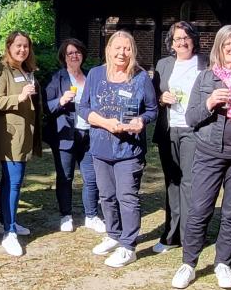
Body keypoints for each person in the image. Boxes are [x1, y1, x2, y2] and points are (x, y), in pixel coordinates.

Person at [171, 25, 231, 290]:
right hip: (209, 153)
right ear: (219, 49)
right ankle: (188, 264)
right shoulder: (206, 79)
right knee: (200, 209)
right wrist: (210, 102)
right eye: (228, 45)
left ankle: (223, 263)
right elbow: (191, 118)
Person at [80, 31, 157, 268]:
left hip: (129, 149)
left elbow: (152, 110)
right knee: (106, 195)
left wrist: (140, 121)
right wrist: (104, 122)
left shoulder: (141, 78)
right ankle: (113, 235)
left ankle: (128, 246)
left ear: (132, 51)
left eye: (127, 48)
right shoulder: (95, 74)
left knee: (127, 197)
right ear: (109, 50)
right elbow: (84, 108)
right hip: (100, 146)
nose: (122, 53)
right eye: (117, 48)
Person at [151, 21, 208, 254]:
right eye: (177, 38)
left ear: (193, 39)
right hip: (168, 130)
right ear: (171, 43)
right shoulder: (163, 64)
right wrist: (162, 97)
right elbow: (153, 95)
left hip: (194, 130)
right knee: (172, 182)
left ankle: (190, 236)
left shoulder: (205, 63)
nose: (182, 42)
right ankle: (171, 234)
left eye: (186, 37)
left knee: (190, 184)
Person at [0, 30, 43, 256]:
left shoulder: (26, 70)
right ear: (9, 46)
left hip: (25, 134)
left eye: (26, 46)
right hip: (10, 135)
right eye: (18, 46)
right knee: (13, 181)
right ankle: (9, 232)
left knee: (12, 181)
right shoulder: (1, 69)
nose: (22, 50)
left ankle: (5, 222)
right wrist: (19, 97)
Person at [43, 38, 104, 233]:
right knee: (65, 176)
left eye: (77, 52)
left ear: (82, 55)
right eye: (70, 53)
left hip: (89, 134)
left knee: (91, 177)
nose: (74, 56)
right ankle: (66, 216)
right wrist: (61, 100)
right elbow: (46, 107)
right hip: (65, 136)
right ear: (64, 57)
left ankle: (92, 216)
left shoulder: (91, 76)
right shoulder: (57, 78)